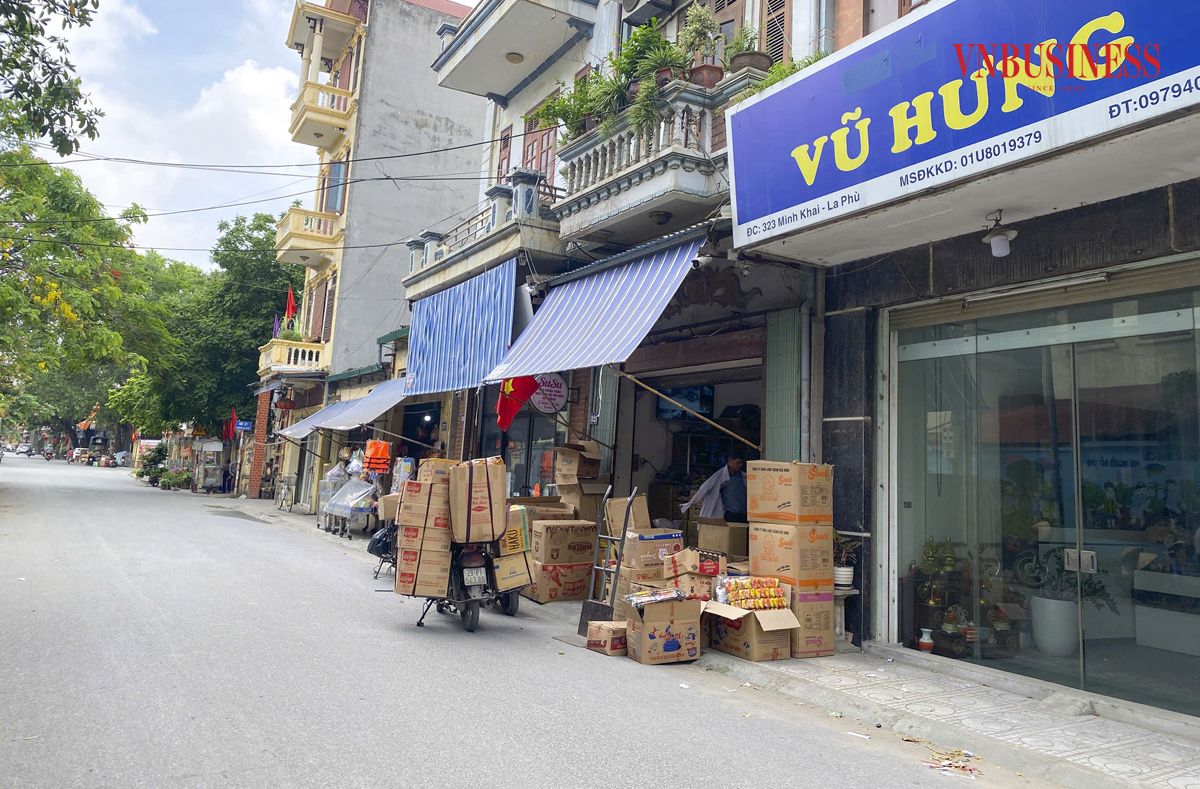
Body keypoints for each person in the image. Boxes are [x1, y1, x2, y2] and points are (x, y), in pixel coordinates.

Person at [680, 453, 748, 522]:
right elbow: (704, 488)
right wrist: (688, 504)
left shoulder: (741, 476)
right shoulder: (721, 476)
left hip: (743, 515)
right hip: (731, 515)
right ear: (730, 460)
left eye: (741, 463)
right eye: (738, 462)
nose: (740, 465)